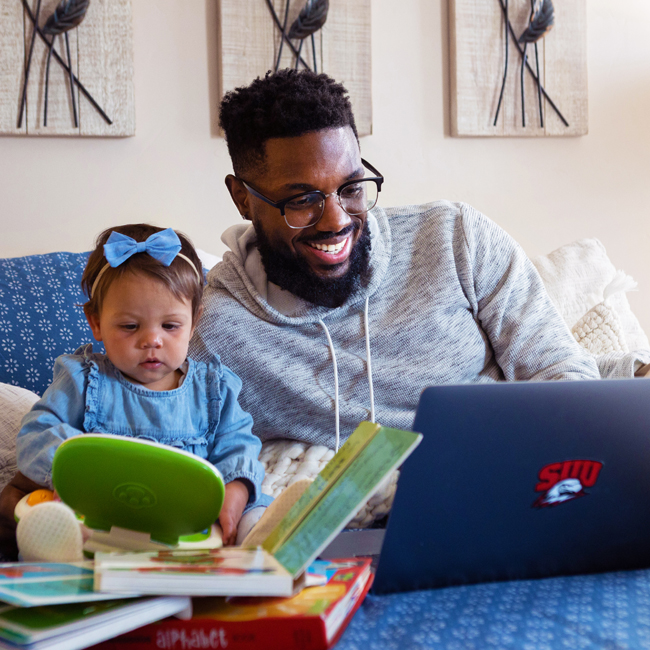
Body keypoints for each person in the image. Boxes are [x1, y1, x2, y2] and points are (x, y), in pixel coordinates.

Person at [188, 68, 610, 452]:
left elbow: (560, 372)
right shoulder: (214, 330)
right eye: (302, 200)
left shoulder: (454, 237)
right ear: (242, 198)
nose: (337, 221)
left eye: (352, 188)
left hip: (511, 479)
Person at [2, 224, 270, 558]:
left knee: (252, 507)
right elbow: (37, 432)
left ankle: (259, 539)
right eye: (130, 326)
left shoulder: (214, 387)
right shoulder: (83, 378)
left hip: (183, 525)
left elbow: (239, 445)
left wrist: (236, 491)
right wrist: (77, 474)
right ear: (96, 321)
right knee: (36, 510)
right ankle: (55, 551)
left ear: (195, 322)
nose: (152, 340)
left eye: (170, 326)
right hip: (97, 518)